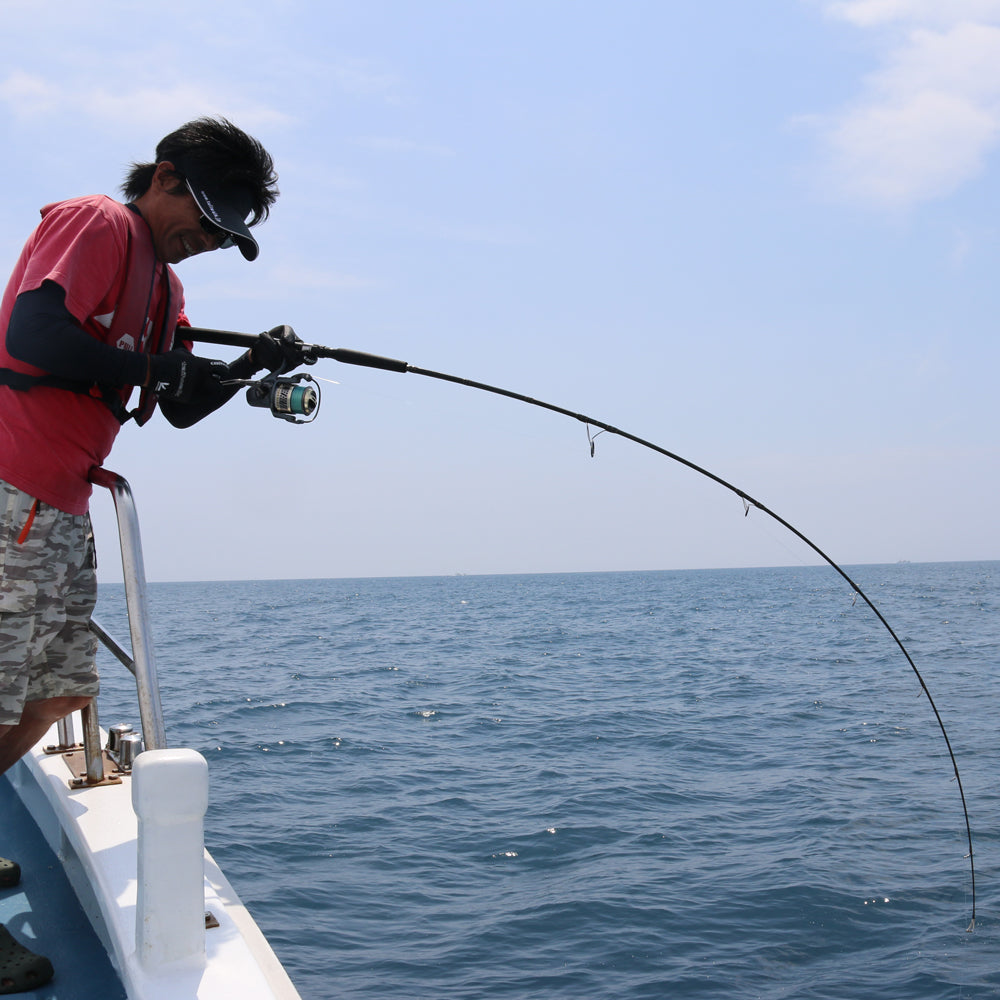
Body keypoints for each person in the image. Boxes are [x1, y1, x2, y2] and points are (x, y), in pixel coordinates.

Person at [0, 116, 289, 993]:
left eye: (222, 237)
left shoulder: (165, 288)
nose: (206, 242)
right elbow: (31, 334)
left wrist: (251, 364)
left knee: (56, 695)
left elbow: (183, 401)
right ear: (162, 179)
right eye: (203, 222)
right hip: (11, 493)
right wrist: (158, 371)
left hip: (64, 506)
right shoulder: (100, 224)